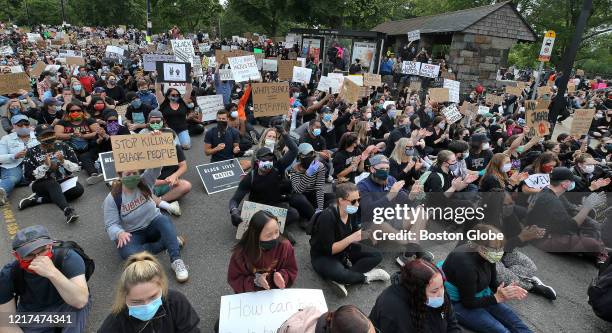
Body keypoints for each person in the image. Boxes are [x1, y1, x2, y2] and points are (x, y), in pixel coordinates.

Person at [102, 161, 189, 282]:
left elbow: (156, 167)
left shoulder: (144, 181)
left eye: (135, 173)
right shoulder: (112, 198)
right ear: (120, 175)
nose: (132, 176)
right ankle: (167, 243)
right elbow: (111, 224)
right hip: (133, 233)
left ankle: (176, 260)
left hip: (153, 224)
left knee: (164, 220)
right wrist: (119, 233)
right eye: (128, 174)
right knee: (126, 252)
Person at [441, 224, 532, 333]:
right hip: (456, 302)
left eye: (501, 248)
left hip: (479, 294)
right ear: (481, 247)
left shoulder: (488, 256)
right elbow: (468, 302)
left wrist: (504, 291)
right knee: (501, 331)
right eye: (496, 249)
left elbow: (492, 283)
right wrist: (497, 297)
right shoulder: (466, 265)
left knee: (517, 323)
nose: (500, 252)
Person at [0, 225, 90, 333]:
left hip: (65, 306)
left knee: (78, 306)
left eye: (43, 251)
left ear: (50, 246)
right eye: (29, 255)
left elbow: (80, 300)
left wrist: (52, 273)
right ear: (16, 256)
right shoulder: (8, 274)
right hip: (34, 316)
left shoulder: (67, 257)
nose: (38, 259)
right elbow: (7, 324)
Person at [310, 182, 389, 297]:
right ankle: (366, 277)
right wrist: (352, 238)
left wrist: (365, 235)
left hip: (345, 250)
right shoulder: (327, 217)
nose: (357, 204)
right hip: (324, 255)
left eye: (358, 200)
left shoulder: (351, 211)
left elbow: (354, 232)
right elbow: (330, 250)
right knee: (339, 273)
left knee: (377, 255)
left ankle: (346, 278)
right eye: (353, 201)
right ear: (341, 200)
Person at [98, 252, 200, 332]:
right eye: (136, 302)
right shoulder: (115, 324)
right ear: (124, 296)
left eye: (153, 297)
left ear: (162, 286)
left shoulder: (177, 302)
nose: (147, 306)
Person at [526, 167, 609, 264]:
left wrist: (583, 207)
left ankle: (595, 249)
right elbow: (570, 226)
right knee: (592, 244)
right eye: (571, 181)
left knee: (591, 224)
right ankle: (597, 252)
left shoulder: (550, 192)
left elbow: (569, 207)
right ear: (564, 184)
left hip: (548, 229)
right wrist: (586, 207)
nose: (572, 184)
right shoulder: (551, 200)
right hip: (541, 239)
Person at [369, 259, 461, 333]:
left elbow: (452, 323)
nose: (441, 294)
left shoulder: (438, 290)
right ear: (417, 291)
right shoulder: (394, 312)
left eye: (442, 286)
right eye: (434, 291)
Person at [19, 125, 83, 223]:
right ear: (37, 138)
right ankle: (67, 210)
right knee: (52, 184)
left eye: (50, 134)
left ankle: (37, 200)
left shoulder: (63, 146)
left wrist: (63, 161)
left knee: (78, 190)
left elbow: (76, 167)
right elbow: (28, 176)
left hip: (63, 179)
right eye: (45, 135)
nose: (49, 138)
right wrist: (45, 166)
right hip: (42, 183)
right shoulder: (31, 152)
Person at [228, 210, 298, 293]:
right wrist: (256, 281)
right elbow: (235, 278)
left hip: (274, 293)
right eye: (269, 235)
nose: (275, 237)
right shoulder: (241, 253)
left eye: (277, 231)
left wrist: (282, 276)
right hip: (251, 296)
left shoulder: (284, 246)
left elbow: (291, 268)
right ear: (255, 235)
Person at [54, 102, 104, 185]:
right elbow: (56, 135)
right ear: (68, 112)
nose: (75, 113)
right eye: (72, 111)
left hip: (89, 148)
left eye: (78, 110)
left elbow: (98, 132)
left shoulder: (89, 120)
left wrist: (83, 136)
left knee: (85, 157)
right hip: (71, 150)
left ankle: (94, 174)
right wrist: (71, 134)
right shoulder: (62, 122)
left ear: (83, 111)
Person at [0, 115, 39, 205]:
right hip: (14, 165)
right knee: (13, 178)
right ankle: (2, 192)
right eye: (20, 125)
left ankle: (6, 181)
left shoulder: (37, 135)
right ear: (14, 126)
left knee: (43, 175)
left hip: (33, 164)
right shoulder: (6, 139)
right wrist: (15, 156)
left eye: (26, 125)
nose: (24, 127)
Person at [289, 143, 327, 214]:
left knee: (332, 197)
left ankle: (320, 214)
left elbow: (319, 188)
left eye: (311, 154)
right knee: (300, 199)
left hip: (312, 194)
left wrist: (320, 208)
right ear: (300, 156)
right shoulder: (295, 169)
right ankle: (314, 217)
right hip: (300, 195)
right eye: (306, 155)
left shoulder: (319, 166)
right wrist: (308, 174)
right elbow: (298, 190)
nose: (310, 157)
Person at [156, 85, 193, 150]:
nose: (175, 96)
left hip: (182, 129)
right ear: (168, 96)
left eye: (177, 95)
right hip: (169, 130)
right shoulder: (163, 104)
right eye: (173, 95)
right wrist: (157, 78)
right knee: (176, 147)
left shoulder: (183, 102)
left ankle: (181, 138)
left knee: (186, 146)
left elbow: (188, 90)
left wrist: (189, 77)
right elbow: (158, 90)